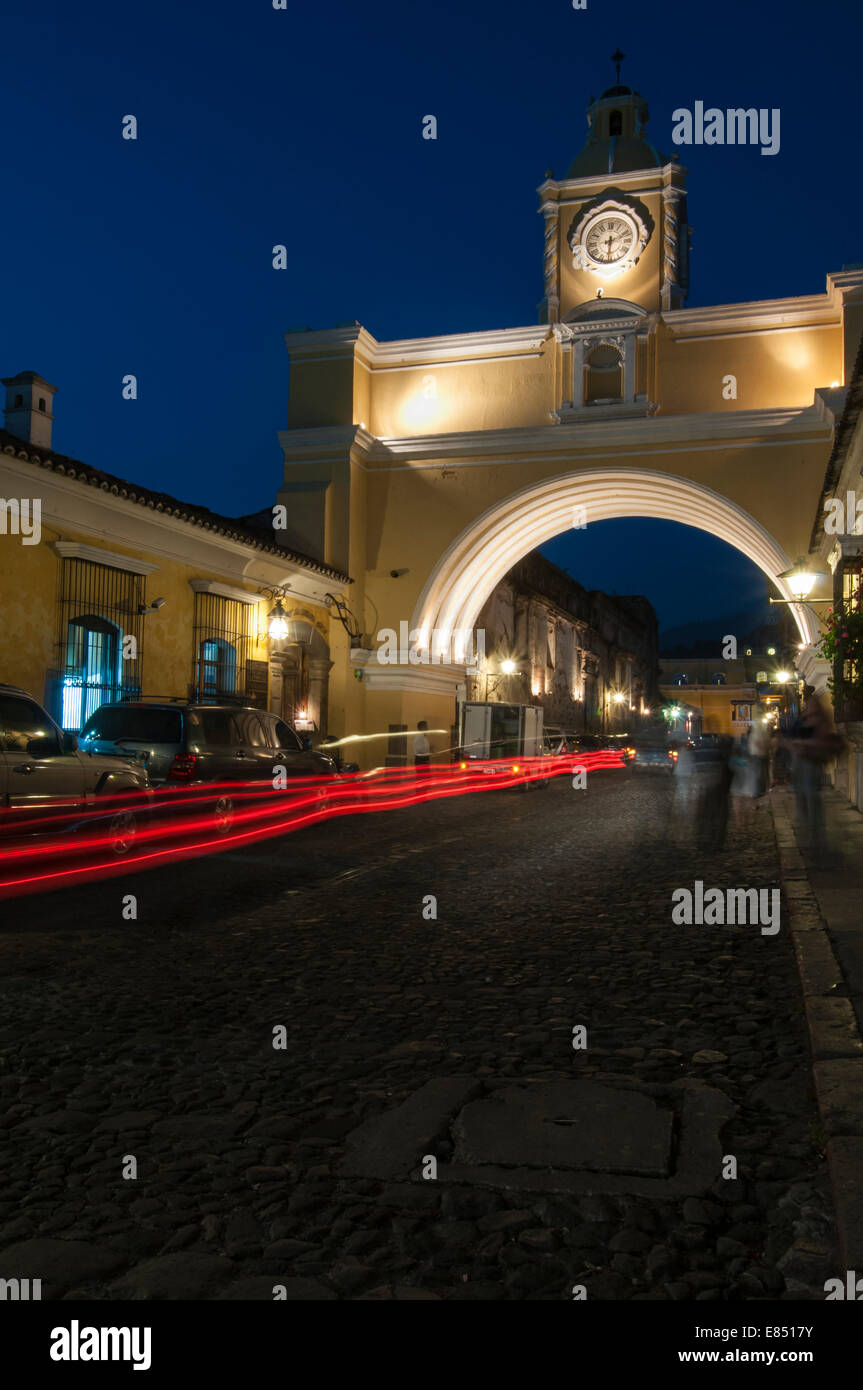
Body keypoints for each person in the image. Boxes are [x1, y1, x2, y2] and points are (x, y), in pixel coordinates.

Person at [783, 689, 840, 863]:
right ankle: (810, 842)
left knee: (812, 803)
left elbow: (822, 741)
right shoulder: (803, 719)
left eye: (811, 702)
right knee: (802, 803)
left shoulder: (820, 721)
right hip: (799, 764)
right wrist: (792, 746)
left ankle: (818, 843)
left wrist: (800, 743)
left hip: (810, 765)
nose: (807, 704)